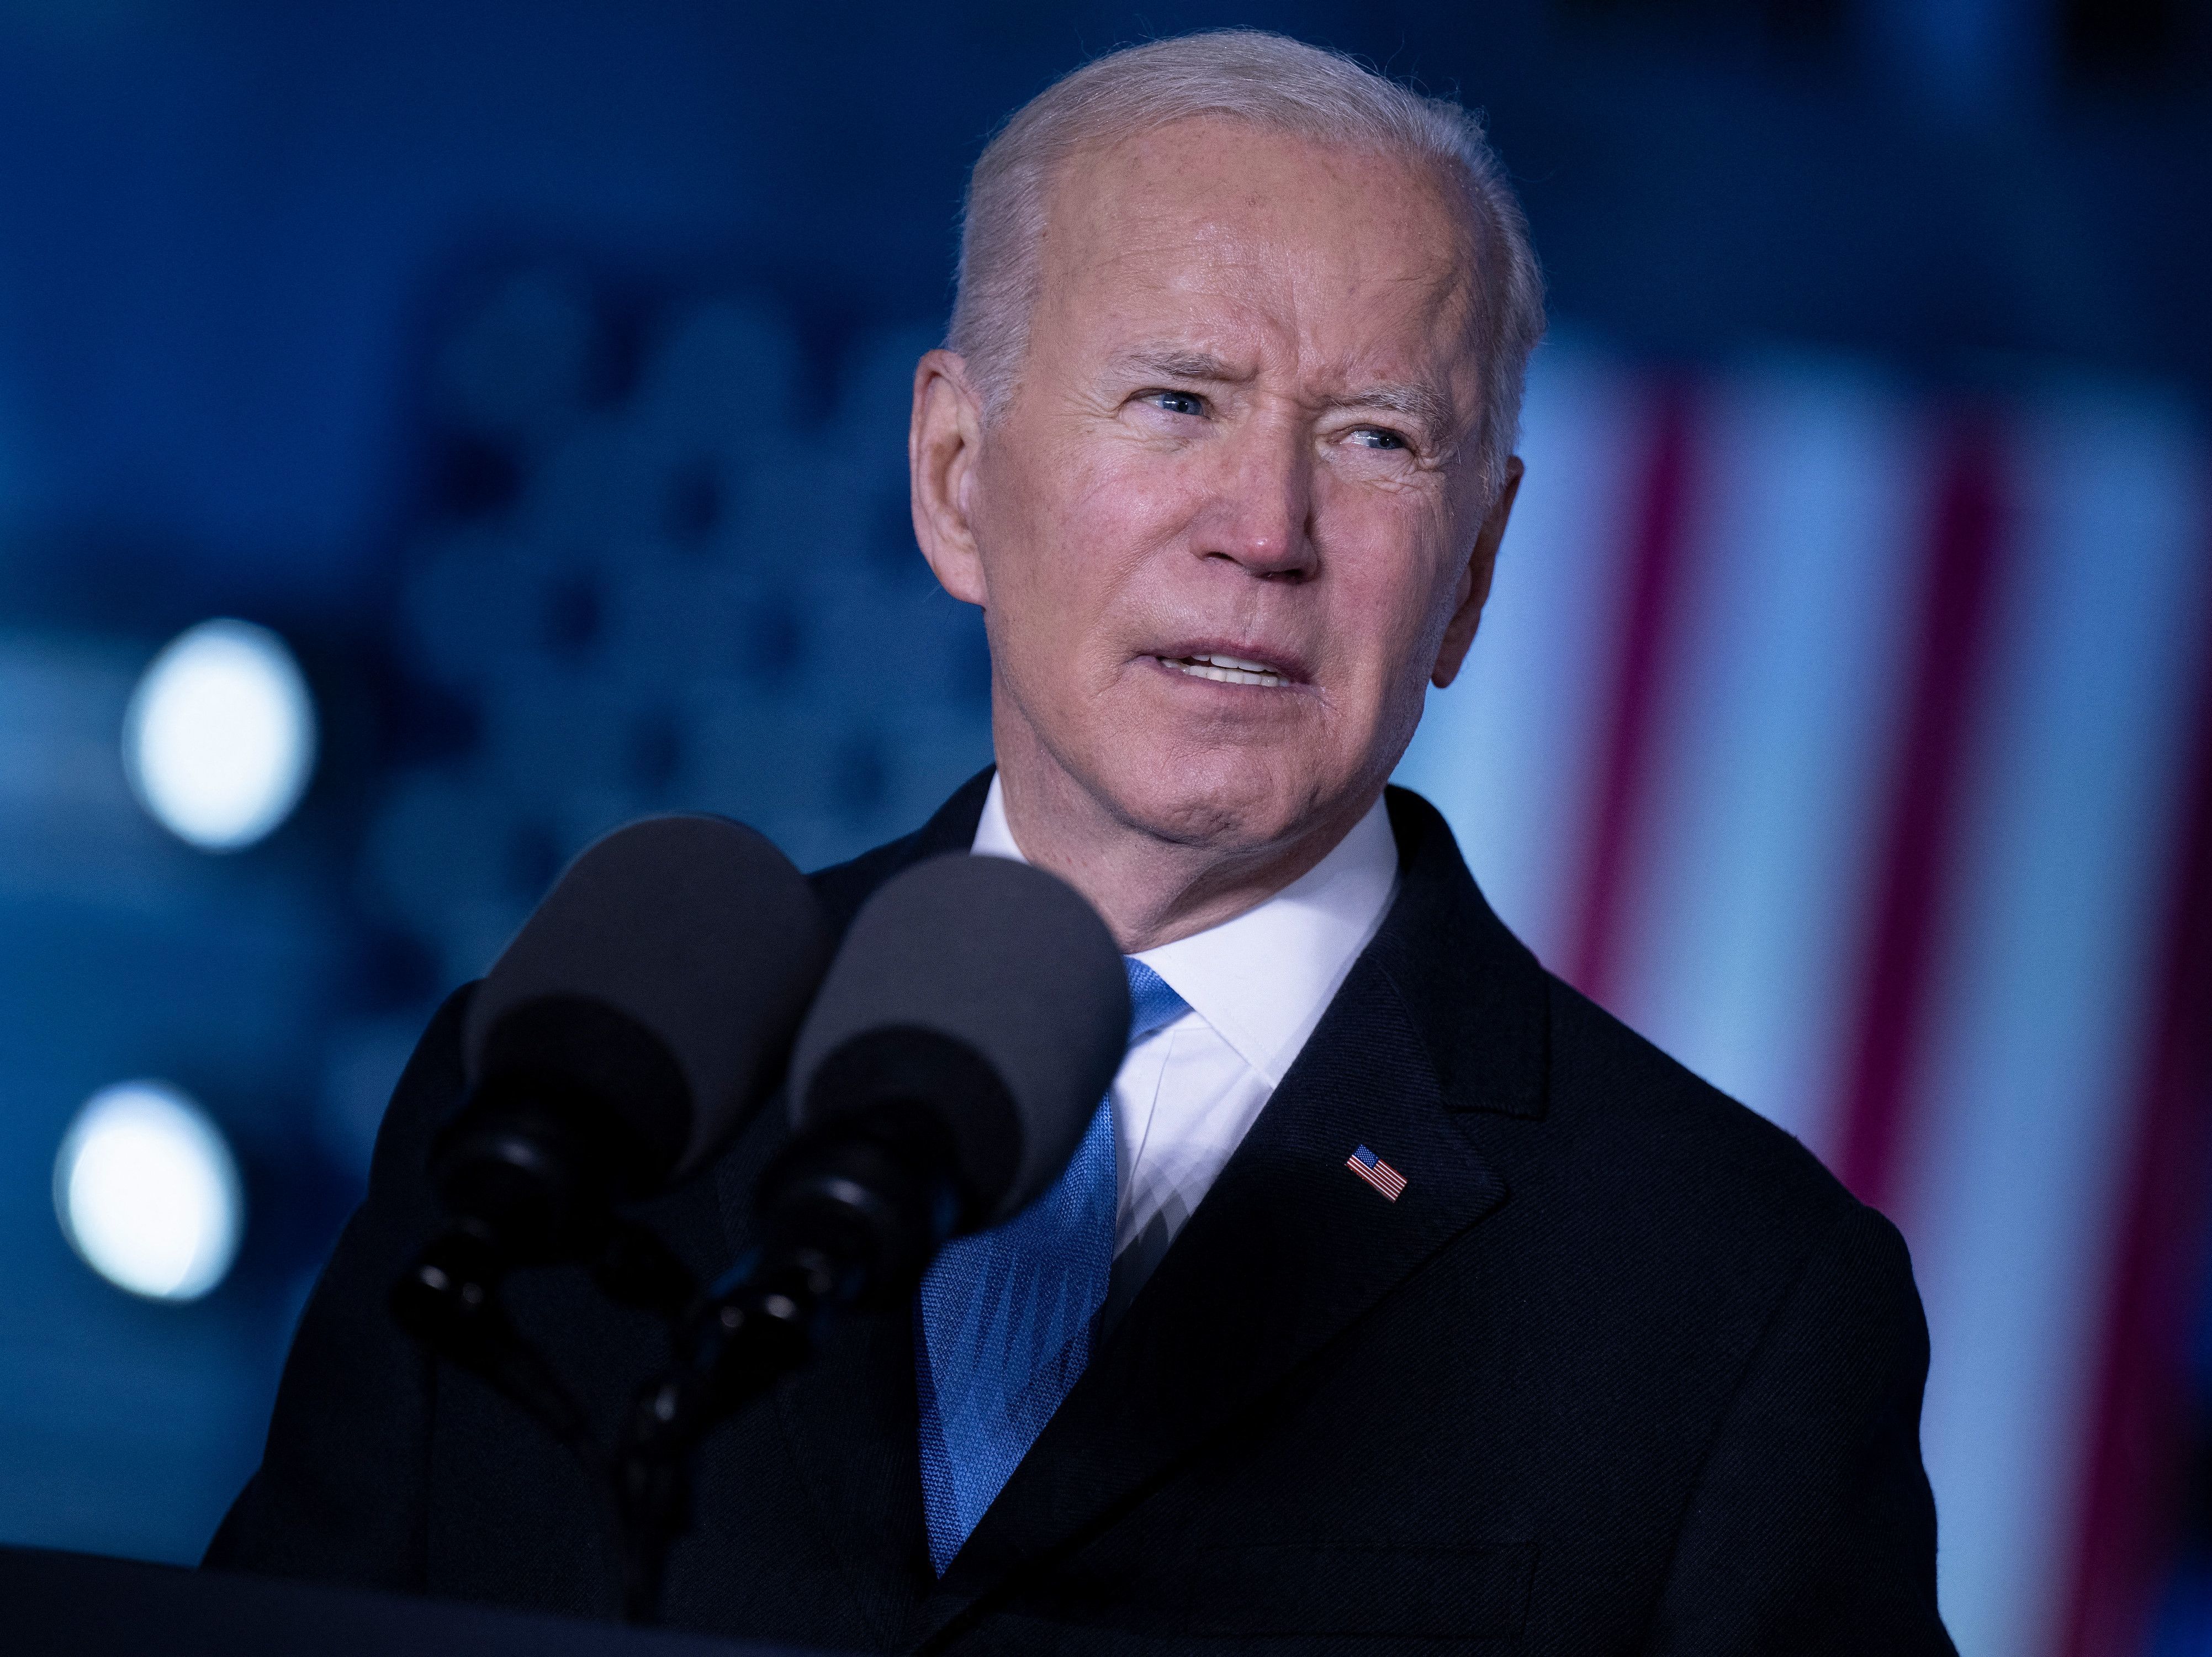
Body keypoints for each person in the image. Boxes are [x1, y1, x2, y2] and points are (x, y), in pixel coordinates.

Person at [207, 30, 1955, 1654]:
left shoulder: (1734, 1305)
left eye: (1375, 440)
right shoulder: (564, 1101)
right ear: (958, 475)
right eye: (1178, 401)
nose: (1265, 531)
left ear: (1476, 569)